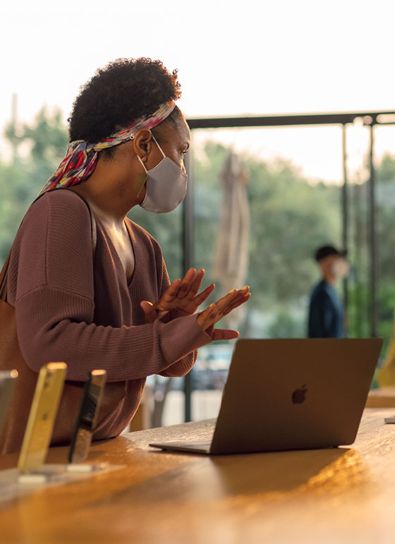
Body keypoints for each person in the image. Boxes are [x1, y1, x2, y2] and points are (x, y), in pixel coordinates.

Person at [0, 58, 250, 453]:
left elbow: (167, 361)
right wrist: (163, 339)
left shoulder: (144, 244)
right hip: (30, 465)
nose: (182, 167)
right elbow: (50, 344)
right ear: (144, 144)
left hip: (96, 451)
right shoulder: (61, 212)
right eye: (180, 151)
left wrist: (178, 327)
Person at [308, 244, 348, 338]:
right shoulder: (322, 293)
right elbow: (319, 334)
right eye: (336, 259)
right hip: (327, 351)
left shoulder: (332, 291)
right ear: (324, 264)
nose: (343, 264)